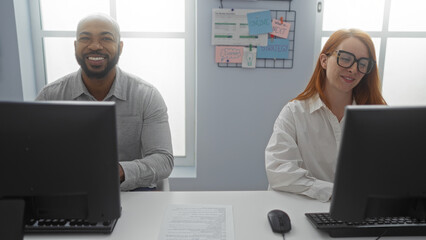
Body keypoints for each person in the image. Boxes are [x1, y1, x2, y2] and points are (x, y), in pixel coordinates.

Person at [36, 13, 174, 191]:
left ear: (120, 47)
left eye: (106, 38)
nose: (94, 46)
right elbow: (33, 153)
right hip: (68, 193)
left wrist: (119, 171)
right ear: (75, 46)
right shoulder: (50, 97)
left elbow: (163, 159)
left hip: (130, 193)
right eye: (85, 38)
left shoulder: (147, 96)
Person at [265, 29, 386, 202]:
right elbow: (278, 171)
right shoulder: (294, 113)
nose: (353, 69)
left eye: (362, 63)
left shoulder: (375, 116)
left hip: (359, 212)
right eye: (345, 58)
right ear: (324, 60)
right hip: (304, 211)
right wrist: (334, 192)